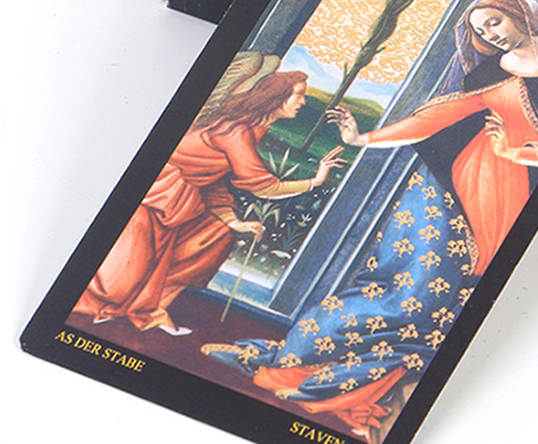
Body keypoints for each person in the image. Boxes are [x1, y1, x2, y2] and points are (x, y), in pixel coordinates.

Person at [202, 0, 538, 440]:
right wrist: (363, 139)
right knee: (396, 283)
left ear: (520, 13)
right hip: (441, 187)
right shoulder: (492, 72)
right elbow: (436, 117)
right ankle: (290, 356)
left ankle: (335, 374)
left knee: (435, 298)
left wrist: (516, 152)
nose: (489, 35)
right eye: (480, 29)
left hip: (505, 192)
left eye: (494, 22)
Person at [75, 71, 344, 335]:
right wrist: (315, 181)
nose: (303, 102)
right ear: (277, 97)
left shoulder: (251, 129)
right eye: (298, 95)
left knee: (214, 238)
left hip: (178, 202)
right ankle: (97, 307)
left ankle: (147, 308)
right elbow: (264, 187)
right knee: (119, 277)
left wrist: (232, 221)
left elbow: (212, 179)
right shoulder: (236, 131)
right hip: (155, 195)